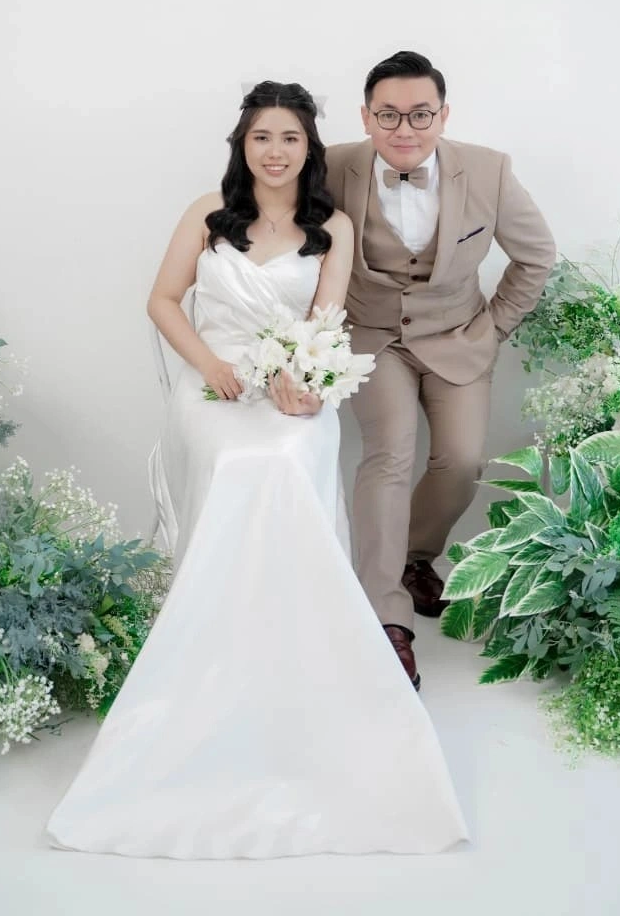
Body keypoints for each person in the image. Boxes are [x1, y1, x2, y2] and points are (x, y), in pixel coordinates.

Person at [46, 81, 468, 859]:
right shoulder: (207, 212)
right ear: (243, 145)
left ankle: (297, 651)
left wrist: (298, 379)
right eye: (261, 137)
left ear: (310, 149)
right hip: (211, 382)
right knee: (239, 461)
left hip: (291, 384)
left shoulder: (331, 227)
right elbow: (162, 300)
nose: (275, 152)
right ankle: (209, 650)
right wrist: (211, 367)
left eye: (290, 138)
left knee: (282, 456)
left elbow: (324, 324)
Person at [325, 52, 556, 691]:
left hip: (459, 337)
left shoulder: (488, 170)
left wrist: (494, 327)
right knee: (390, 455)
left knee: (462, 461)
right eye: (388, 115)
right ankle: (386, 618)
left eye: (420, 114)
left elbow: (536, 255)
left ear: (443, 115)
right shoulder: (332, 166)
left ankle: (412, 556)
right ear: (366, 117)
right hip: (373, 339)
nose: (405, 128)